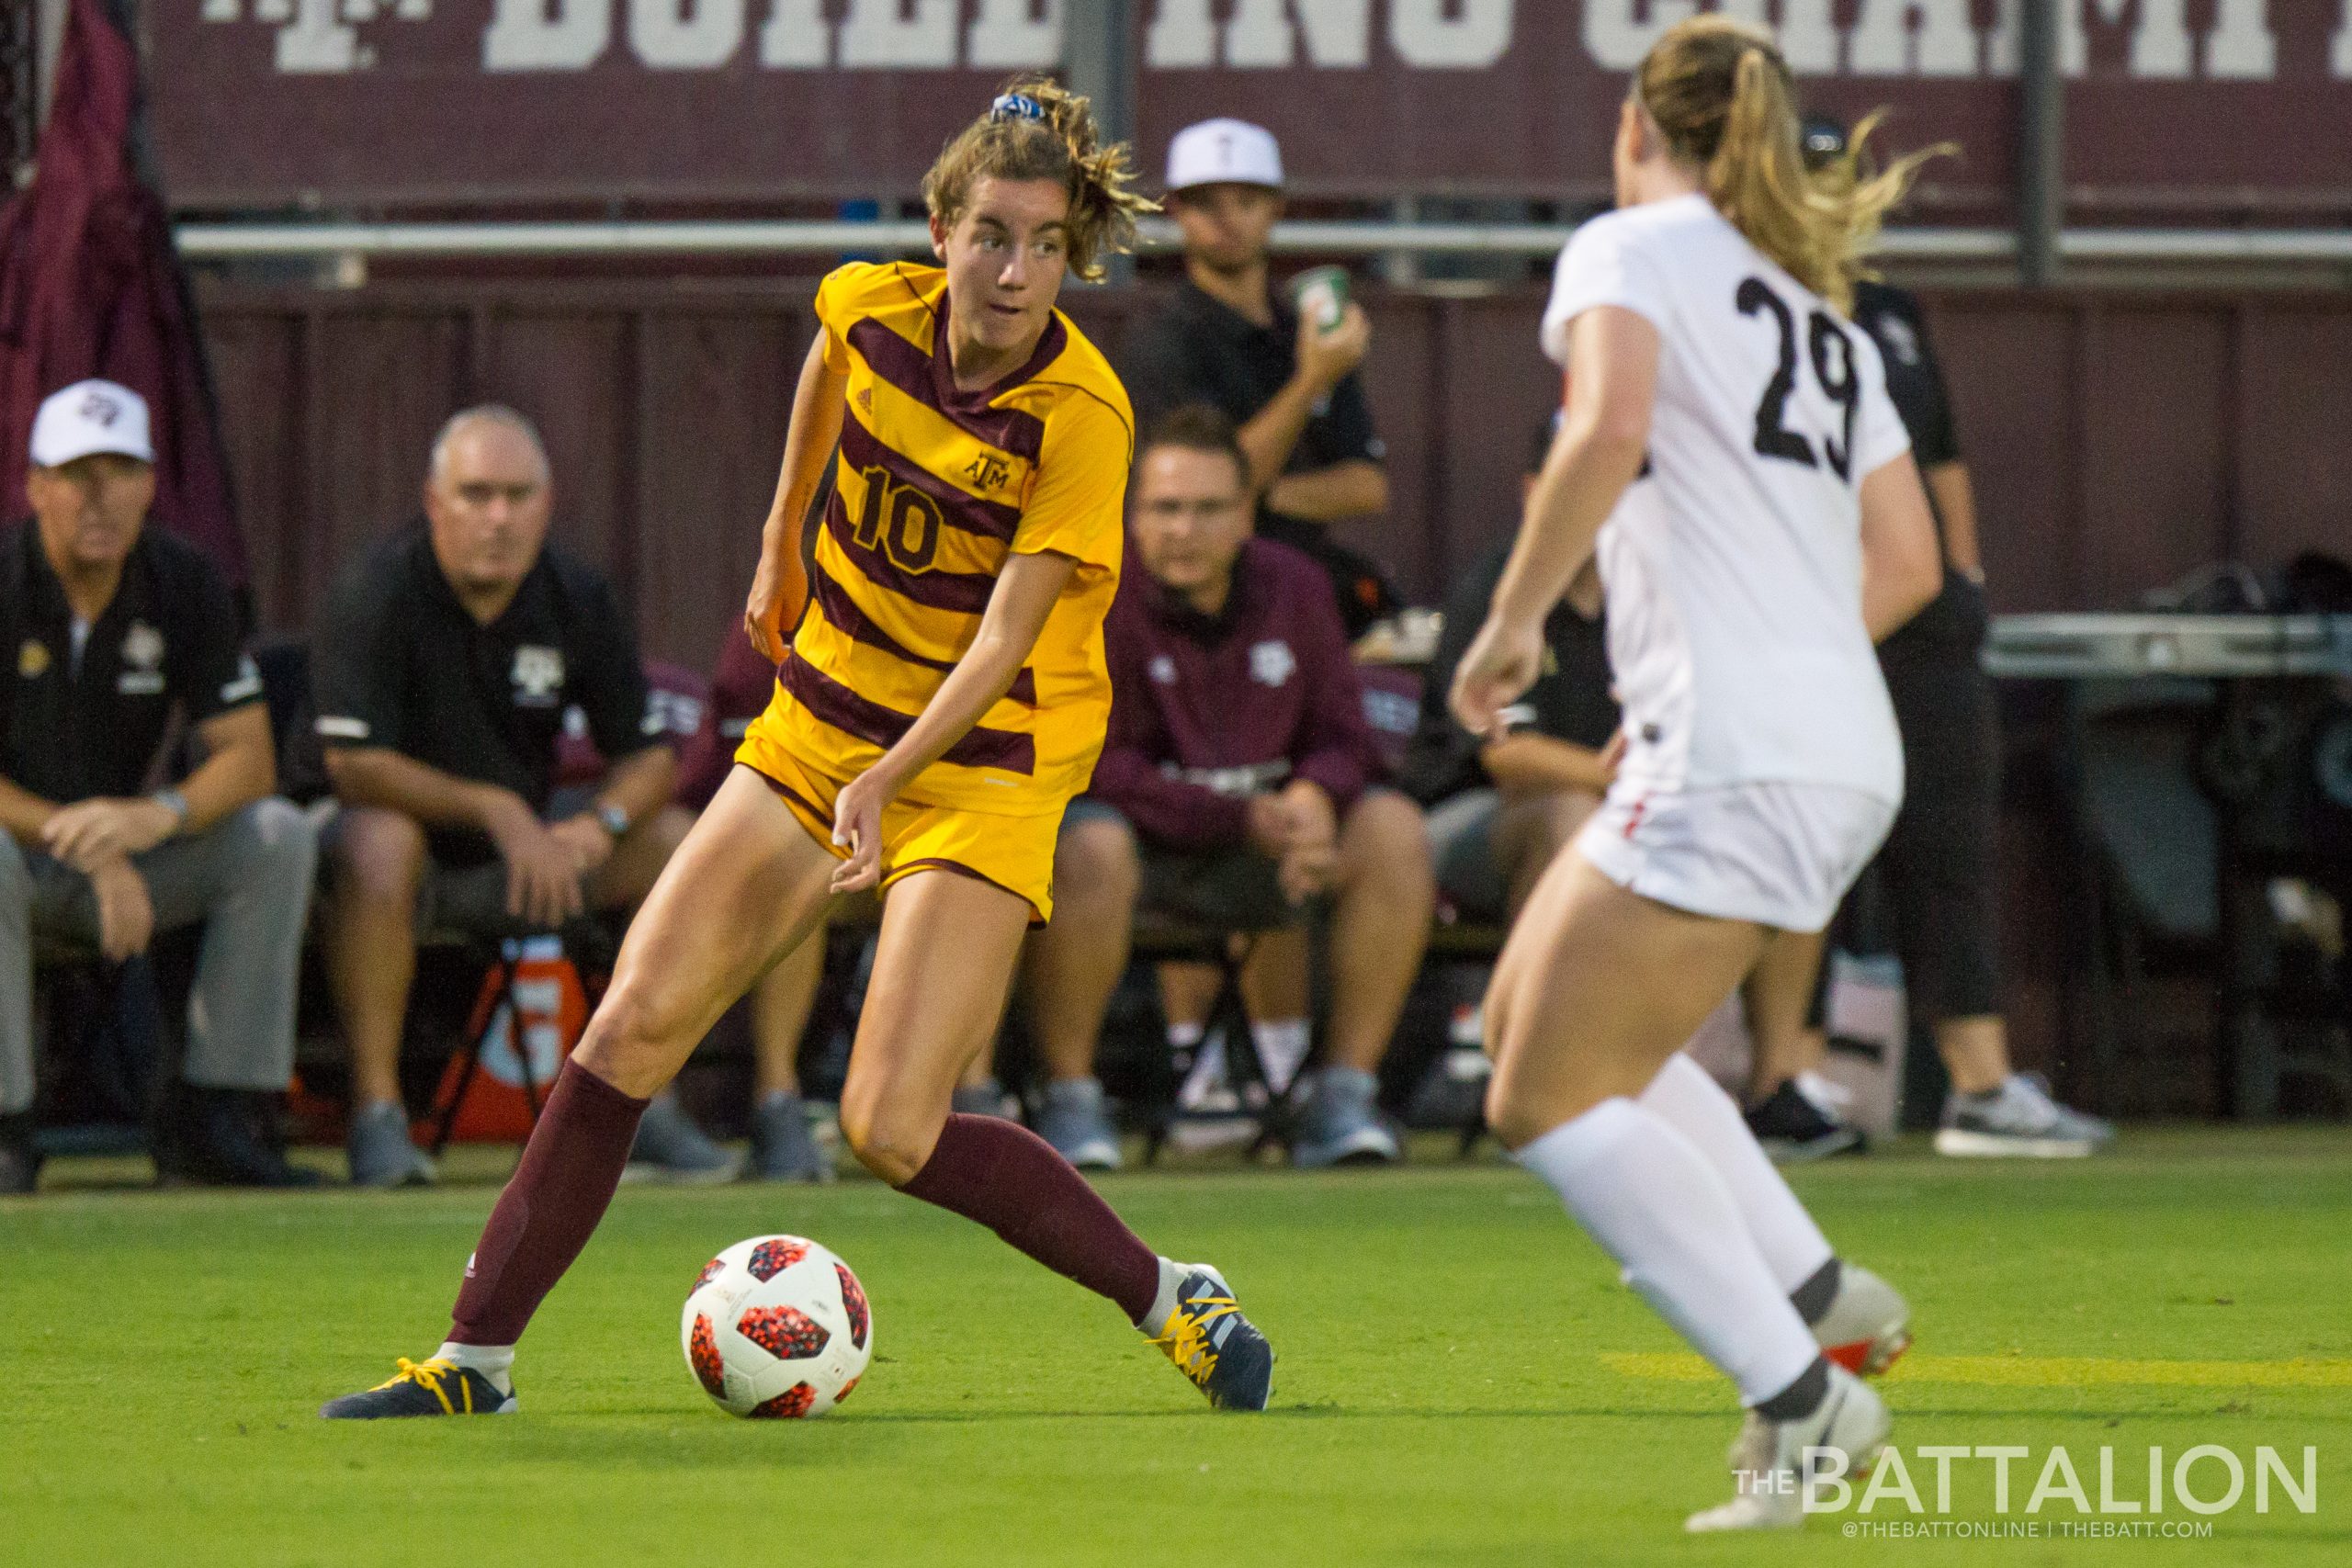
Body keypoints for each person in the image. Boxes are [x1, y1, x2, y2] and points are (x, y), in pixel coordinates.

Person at [321, 79, 1274, 1421]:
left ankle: (1171, 1291)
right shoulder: (867, 303)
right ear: (940, 227)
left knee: (890, 1124)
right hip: (823, 716)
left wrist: (890, 777)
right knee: (631, 1023)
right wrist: (781, 532)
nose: (1015, 271)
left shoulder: (1083, 411)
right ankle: (473, 1360)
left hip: (989, 754)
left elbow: (1007, 637)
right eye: (992, 233)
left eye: (1046, 244)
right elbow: (827, 364)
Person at [1449, 20, 1944, 1529]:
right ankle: (1813, 1288)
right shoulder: (1826, 317)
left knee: (1538, 1094)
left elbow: (1601, 427)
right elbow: (1912, 564)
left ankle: (1805, 1399)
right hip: (1829, 743)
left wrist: (1513, 625)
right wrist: (1728, 676)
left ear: (1631, 125)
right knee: (1544, 1022)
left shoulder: (1628, 247)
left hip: (1740, 750)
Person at [1735, 118, 2116, 1163]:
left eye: (1838, 184)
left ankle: (1980, 1085)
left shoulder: (1891, 317)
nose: (1825, 203)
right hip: (1798, 609)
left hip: (1918, 618)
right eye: (1802, 183)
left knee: (1949, 845)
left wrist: (1966, 572)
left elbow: (1938, 461)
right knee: (1805, 847)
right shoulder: (1737, 312)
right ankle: (1785, 1079)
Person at [1023, 406, 1432, 1171]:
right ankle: (1071, 1098)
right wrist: (1236, 815)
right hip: (1146, 854)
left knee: (1391, 827)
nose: (1185, 529)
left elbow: (1348, 737)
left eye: (1209, 509)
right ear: (1132, 513)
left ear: (1247, 514)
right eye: (1165, 508)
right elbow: (1091, 761)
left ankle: (1343, 1095)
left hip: (1272, 848)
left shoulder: (1298, 586)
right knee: (1090, 838)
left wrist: (1315, 796)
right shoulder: (1093, 595)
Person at [312, 406, 711, 1189]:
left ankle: (645, 1100)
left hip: (536, 861)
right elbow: (351, 764)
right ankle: (378, 1116)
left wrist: (600, 826)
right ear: (434, 501)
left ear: (547, 502)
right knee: (381, 839)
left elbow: (647, 759)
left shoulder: (574, 594)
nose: (498, 517)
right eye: (475, 494)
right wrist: (497, 810)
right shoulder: (378, 587)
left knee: (672, 838)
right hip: (398, 866)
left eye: (517, 495)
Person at [0, 379, 319, 1192]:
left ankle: (220, 1112)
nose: (100, 498)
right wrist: (88, 841)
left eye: (121, 471)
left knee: (277, 834)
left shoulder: (184, 578)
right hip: (24, 858)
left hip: (134, 854)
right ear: (35, 485)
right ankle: (7, 1124)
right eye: (78, 474)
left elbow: (248, 756)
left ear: (150, 485)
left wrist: (155, 816)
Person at [1122, 118, 1396, 637]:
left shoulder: (1308, 327)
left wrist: (1261, 495)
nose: (1229, 221)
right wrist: (1310, 383)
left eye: (1246, 201)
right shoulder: (1163, 339)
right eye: (1207, 204)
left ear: (1277, 208)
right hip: (1194, 605)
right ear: (1176, 212)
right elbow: (1194, 486)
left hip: (1305, 590)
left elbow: (1367, 486)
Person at [1417, 413, 1620, 926]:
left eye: (1613, 484)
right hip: (1469, 818)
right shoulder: (1497, 588)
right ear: (1534, 493)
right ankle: (1543, 1006)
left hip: (1623, 807)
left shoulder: (1656, 593)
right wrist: (1642, 782)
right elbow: (1507, 754)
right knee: (1570, 814)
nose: (1598, 503)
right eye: (1578, 483)